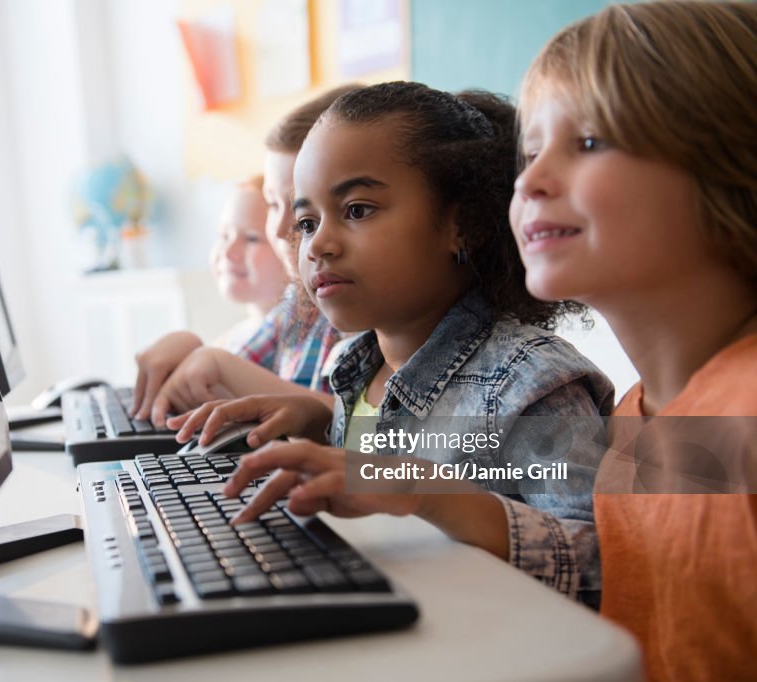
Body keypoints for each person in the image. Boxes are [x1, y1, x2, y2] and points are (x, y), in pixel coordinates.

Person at [176, 81, 613, 606]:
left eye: (357, 210)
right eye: (306, 222)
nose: (319, 245)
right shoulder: (352, 371)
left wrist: (422, 488)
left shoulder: (531, 383)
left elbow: (603, 567)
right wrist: (319, 419)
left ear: (463, 224)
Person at [508, 3, 757, 680]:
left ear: (731, 163)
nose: (530, 179)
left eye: (588, 143)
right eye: (529, 154)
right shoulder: (634, 417)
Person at [132, 85, 362, 427]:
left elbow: (375, 438)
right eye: (272, 203)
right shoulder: (296, 306)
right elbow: (215, 370)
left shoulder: (374, 314)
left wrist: (219, 364)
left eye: (303, 207)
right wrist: (191, 348)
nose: (282, 228)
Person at [209, 175, 288, 352]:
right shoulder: (226, 344)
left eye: (252, 238)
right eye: (224, 235)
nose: (228, 252)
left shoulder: (302, 341)